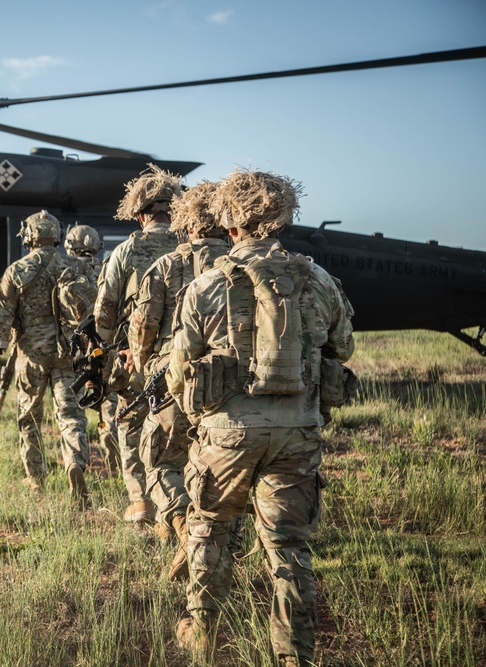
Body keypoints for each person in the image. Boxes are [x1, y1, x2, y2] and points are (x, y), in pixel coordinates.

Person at [167, 169, 354, 665]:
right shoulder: (318, 281)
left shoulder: (207, 284)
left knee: (209, 525)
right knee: (289, 546)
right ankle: (294, 654)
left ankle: (202, 630)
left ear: (230, 226)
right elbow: (344, 347)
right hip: (298, 432)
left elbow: (180, 368)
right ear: (282, 221)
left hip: (226, 434)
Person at [127, 181, 230, 581]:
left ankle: (185, 528)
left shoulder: (166, 266)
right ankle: (220, 543)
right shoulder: (242, 268)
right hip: (233, 387)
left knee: (158, 462)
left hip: (175, 382)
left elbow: (143, 333)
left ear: (187, 225)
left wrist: (139, 363)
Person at [93, 164, 182, 523]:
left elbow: (104, 313)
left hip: (137, 357)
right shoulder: (191, 247)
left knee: (130, 422)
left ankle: (141, 501)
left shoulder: (126, 251)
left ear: (140, 213)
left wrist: (100, 357)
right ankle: (176, 503)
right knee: (179, 430)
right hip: (188, 357)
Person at [0, 210, 90, 506]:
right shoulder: (74, 266)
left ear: (30, 235)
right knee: (71, 415)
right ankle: (74, 463)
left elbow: (3, 316)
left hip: (31, 355)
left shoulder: (17, 270)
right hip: (69, 354)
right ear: (57, 235)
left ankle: (35, 479)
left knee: (29, 417)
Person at [63, 223, 121, 476]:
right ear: (97, 246)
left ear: (69, 246)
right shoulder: (110, 268)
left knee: (73, 412)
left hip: (74, 353)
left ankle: (76, 460)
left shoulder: (64, 271)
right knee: (110, 403)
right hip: (108, 346)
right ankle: (114, 455)